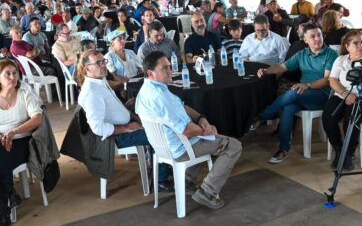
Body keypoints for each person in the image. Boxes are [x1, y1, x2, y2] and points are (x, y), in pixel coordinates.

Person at [135, 52, 243, 210]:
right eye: (165, 68)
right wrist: (206, 130)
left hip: (164, 146)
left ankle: (186, 181)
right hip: (181, 147)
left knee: (205, 136)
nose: (170, 71)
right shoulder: (159, 96)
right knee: (233, 146)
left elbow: (182, 105)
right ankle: (208, 192)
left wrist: (200, 118)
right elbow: (186, 130)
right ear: (151, 73)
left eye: (169, 67)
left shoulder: (148, 89)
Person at [78, 50, 172, 189]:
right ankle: (160, 180)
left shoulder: (99, 81)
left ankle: (158, 164)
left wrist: (125, 109)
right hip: (115, 136)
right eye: (98, 63)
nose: (104, 65)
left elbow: (108, 109)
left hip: (123, 124)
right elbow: (98, 128)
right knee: (159, 133)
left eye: (104, 61)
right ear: (87, 68)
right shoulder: (91, 92)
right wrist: (127, 128)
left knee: (155, 115)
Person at [255, 23, 338, 164]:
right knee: (288, 108)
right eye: (312, 36)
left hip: (322, 96)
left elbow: (327, 80)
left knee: (294, 92)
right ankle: (284, 149)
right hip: (303, 93)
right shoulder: (302, 54)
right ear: (305, 40)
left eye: (319, 35)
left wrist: (307, 85)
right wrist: (266, 71)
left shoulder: (331, 54)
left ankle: (263, 115)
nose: (317, 39)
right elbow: (282, 67)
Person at [0, 60, 43, 226]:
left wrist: (14, 132)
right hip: (0, 143)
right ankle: (8, 195)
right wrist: (0, 137)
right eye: (7, 74)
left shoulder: (24, 92)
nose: (13, 77)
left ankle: (4, 210)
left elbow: (38, 118)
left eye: (15, 73)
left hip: (22, 142)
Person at [322, 31, 362, 170]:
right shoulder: (341, 60)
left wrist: (360, 96)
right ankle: (339, 149)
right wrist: (346, 94)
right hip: (344, 94)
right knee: (328, 115)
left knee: (351, 117)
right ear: (347, 46)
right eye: (356, 43)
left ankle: (349, 153)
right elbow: (332, 80)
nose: (361, 46)